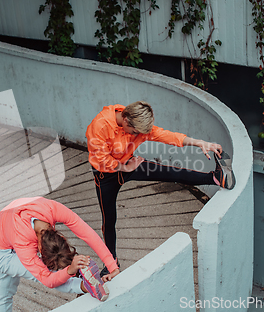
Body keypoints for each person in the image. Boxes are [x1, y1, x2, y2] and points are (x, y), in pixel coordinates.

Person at [86, 101, 235, 276]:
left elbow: (166, 135)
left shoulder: (136, 122)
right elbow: (100, 159)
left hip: (129, 163)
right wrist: (124, 167)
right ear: (125, 120)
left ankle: (214, 177)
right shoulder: (99, 126)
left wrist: (200, 143)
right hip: (106, 176)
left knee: (171, 173)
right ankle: (111, 263)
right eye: (135, 133)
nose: (137, 136)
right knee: (109, 219)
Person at [0, 196, 120, 312]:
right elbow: (47, 279)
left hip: (6, 229)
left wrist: (112, 266)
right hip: (2, 255)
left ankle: (82, 280)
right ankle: (85, 286)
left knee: (4, 295)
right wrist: (69, 271)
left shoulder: (51, 208)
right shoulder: (24, 244)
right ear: (37, 247)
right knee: (44, 274)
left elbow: (87, 233)